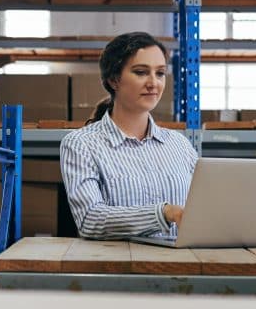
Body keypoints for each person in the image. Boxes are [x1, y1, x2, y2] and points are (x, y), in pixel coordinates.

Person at [60, 32, 198, 239]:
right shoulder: (81, 145)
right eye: (141, 72)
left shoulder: (180, 145)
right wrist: (163, 213)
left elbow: (204, 209)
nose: (154, 83)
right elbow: (90, 220)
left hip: (182, 266)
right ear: (114, 79)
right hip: (121, 268)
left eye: (160, 73)